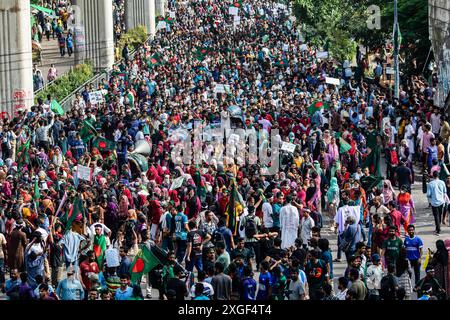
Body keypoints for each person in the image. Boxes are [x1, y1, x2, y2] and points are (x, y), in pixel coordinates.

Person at [427, 170, 447, 236]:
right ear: (438, 175)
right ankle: (438, 227)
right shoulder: (442, 182)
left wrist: (431, 197)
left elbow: (428, 194)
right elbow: (445, 191)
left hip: (434, 202)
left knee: (436, 216)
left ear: (433, 176)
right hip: (441, 201)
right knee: (440, 215)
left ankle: (438, 229)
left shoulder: (430, 184)